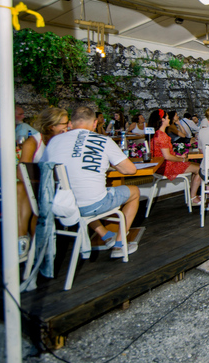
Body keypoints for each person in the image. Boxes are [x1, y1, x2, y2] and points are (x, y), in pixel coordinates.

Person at [40, 106, 140, 258]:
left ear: (70, 124)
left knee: (82, 193)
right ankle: (120, 244)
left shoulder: (54, 142)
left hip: (60, 203)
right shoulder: (103, 140)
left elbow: (45, 169)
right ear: (94, 123)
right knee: (134, 192)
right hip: (91, 204)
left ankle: (106, 235)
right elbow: (130, 170)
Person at [16, 107, 70, 256]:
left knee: (25, 192)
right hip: (40, 188)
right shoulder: (33, 142)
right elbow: (21, 171)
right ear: (51, 126)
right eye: (64, 123)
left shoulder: (66, 141)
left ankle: (30, 243)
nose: (68, 126)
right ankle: (24, 239)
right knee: (21, 188)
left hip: (62, 188)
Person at [148, 109, 202, 203]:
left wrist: (179, 156)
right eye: (168, 118)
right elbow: (167, 156)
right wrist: (181, 160)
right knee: (200, 169)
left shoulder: (156, 134)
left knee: (197, 167)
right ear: (162, 120)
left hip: (161, 165)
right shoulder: (162, 136)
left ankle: (193, 195)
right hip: (167, 166)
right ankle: (193, 197)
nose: (169, 120)